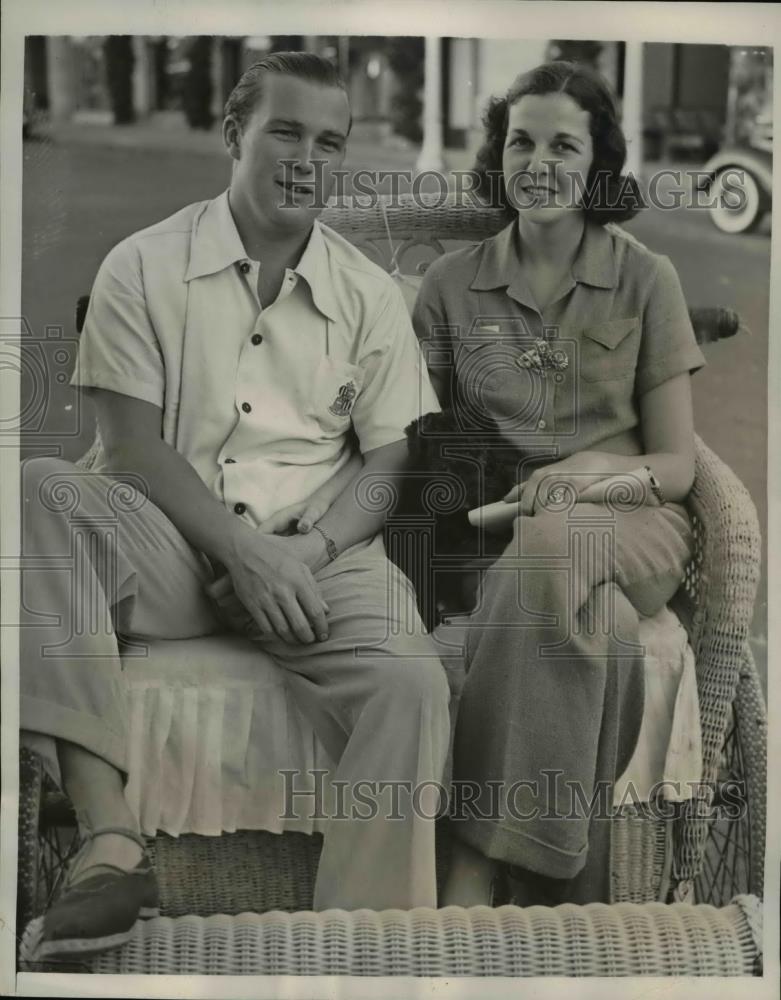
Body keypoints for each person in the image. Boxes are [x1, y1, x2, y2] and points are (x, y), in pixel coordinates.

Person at [20, 52, 450, 962]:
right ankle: (110, 841)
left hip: (318, 563)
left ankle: (364, 954)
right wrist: (240, 552)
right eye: (284, 131)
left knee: (410, 684)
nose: (306, 158)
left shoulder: (368, 294)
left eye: (327, 141)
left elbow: (387, 458)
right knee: (32, 491)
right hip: (172, 549)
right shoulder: (142, 264)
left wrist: (307, 552)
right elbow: (131, 446)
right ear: (233, 135)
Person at [410, 61, 706, 906]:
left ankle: (469, 868)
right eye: (521, 141)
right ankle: (568, 900)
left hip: (634, 521)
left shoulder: (647, 279)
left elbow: (677, 466)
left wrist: (589, 473)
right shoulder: (447, 286)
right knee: (603, 633)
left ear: (597, 165)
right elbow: (418, 442)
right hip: (498, 528)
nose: (538, 162)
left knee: (555, 542)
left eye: (563, 145)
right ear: (499, 156)